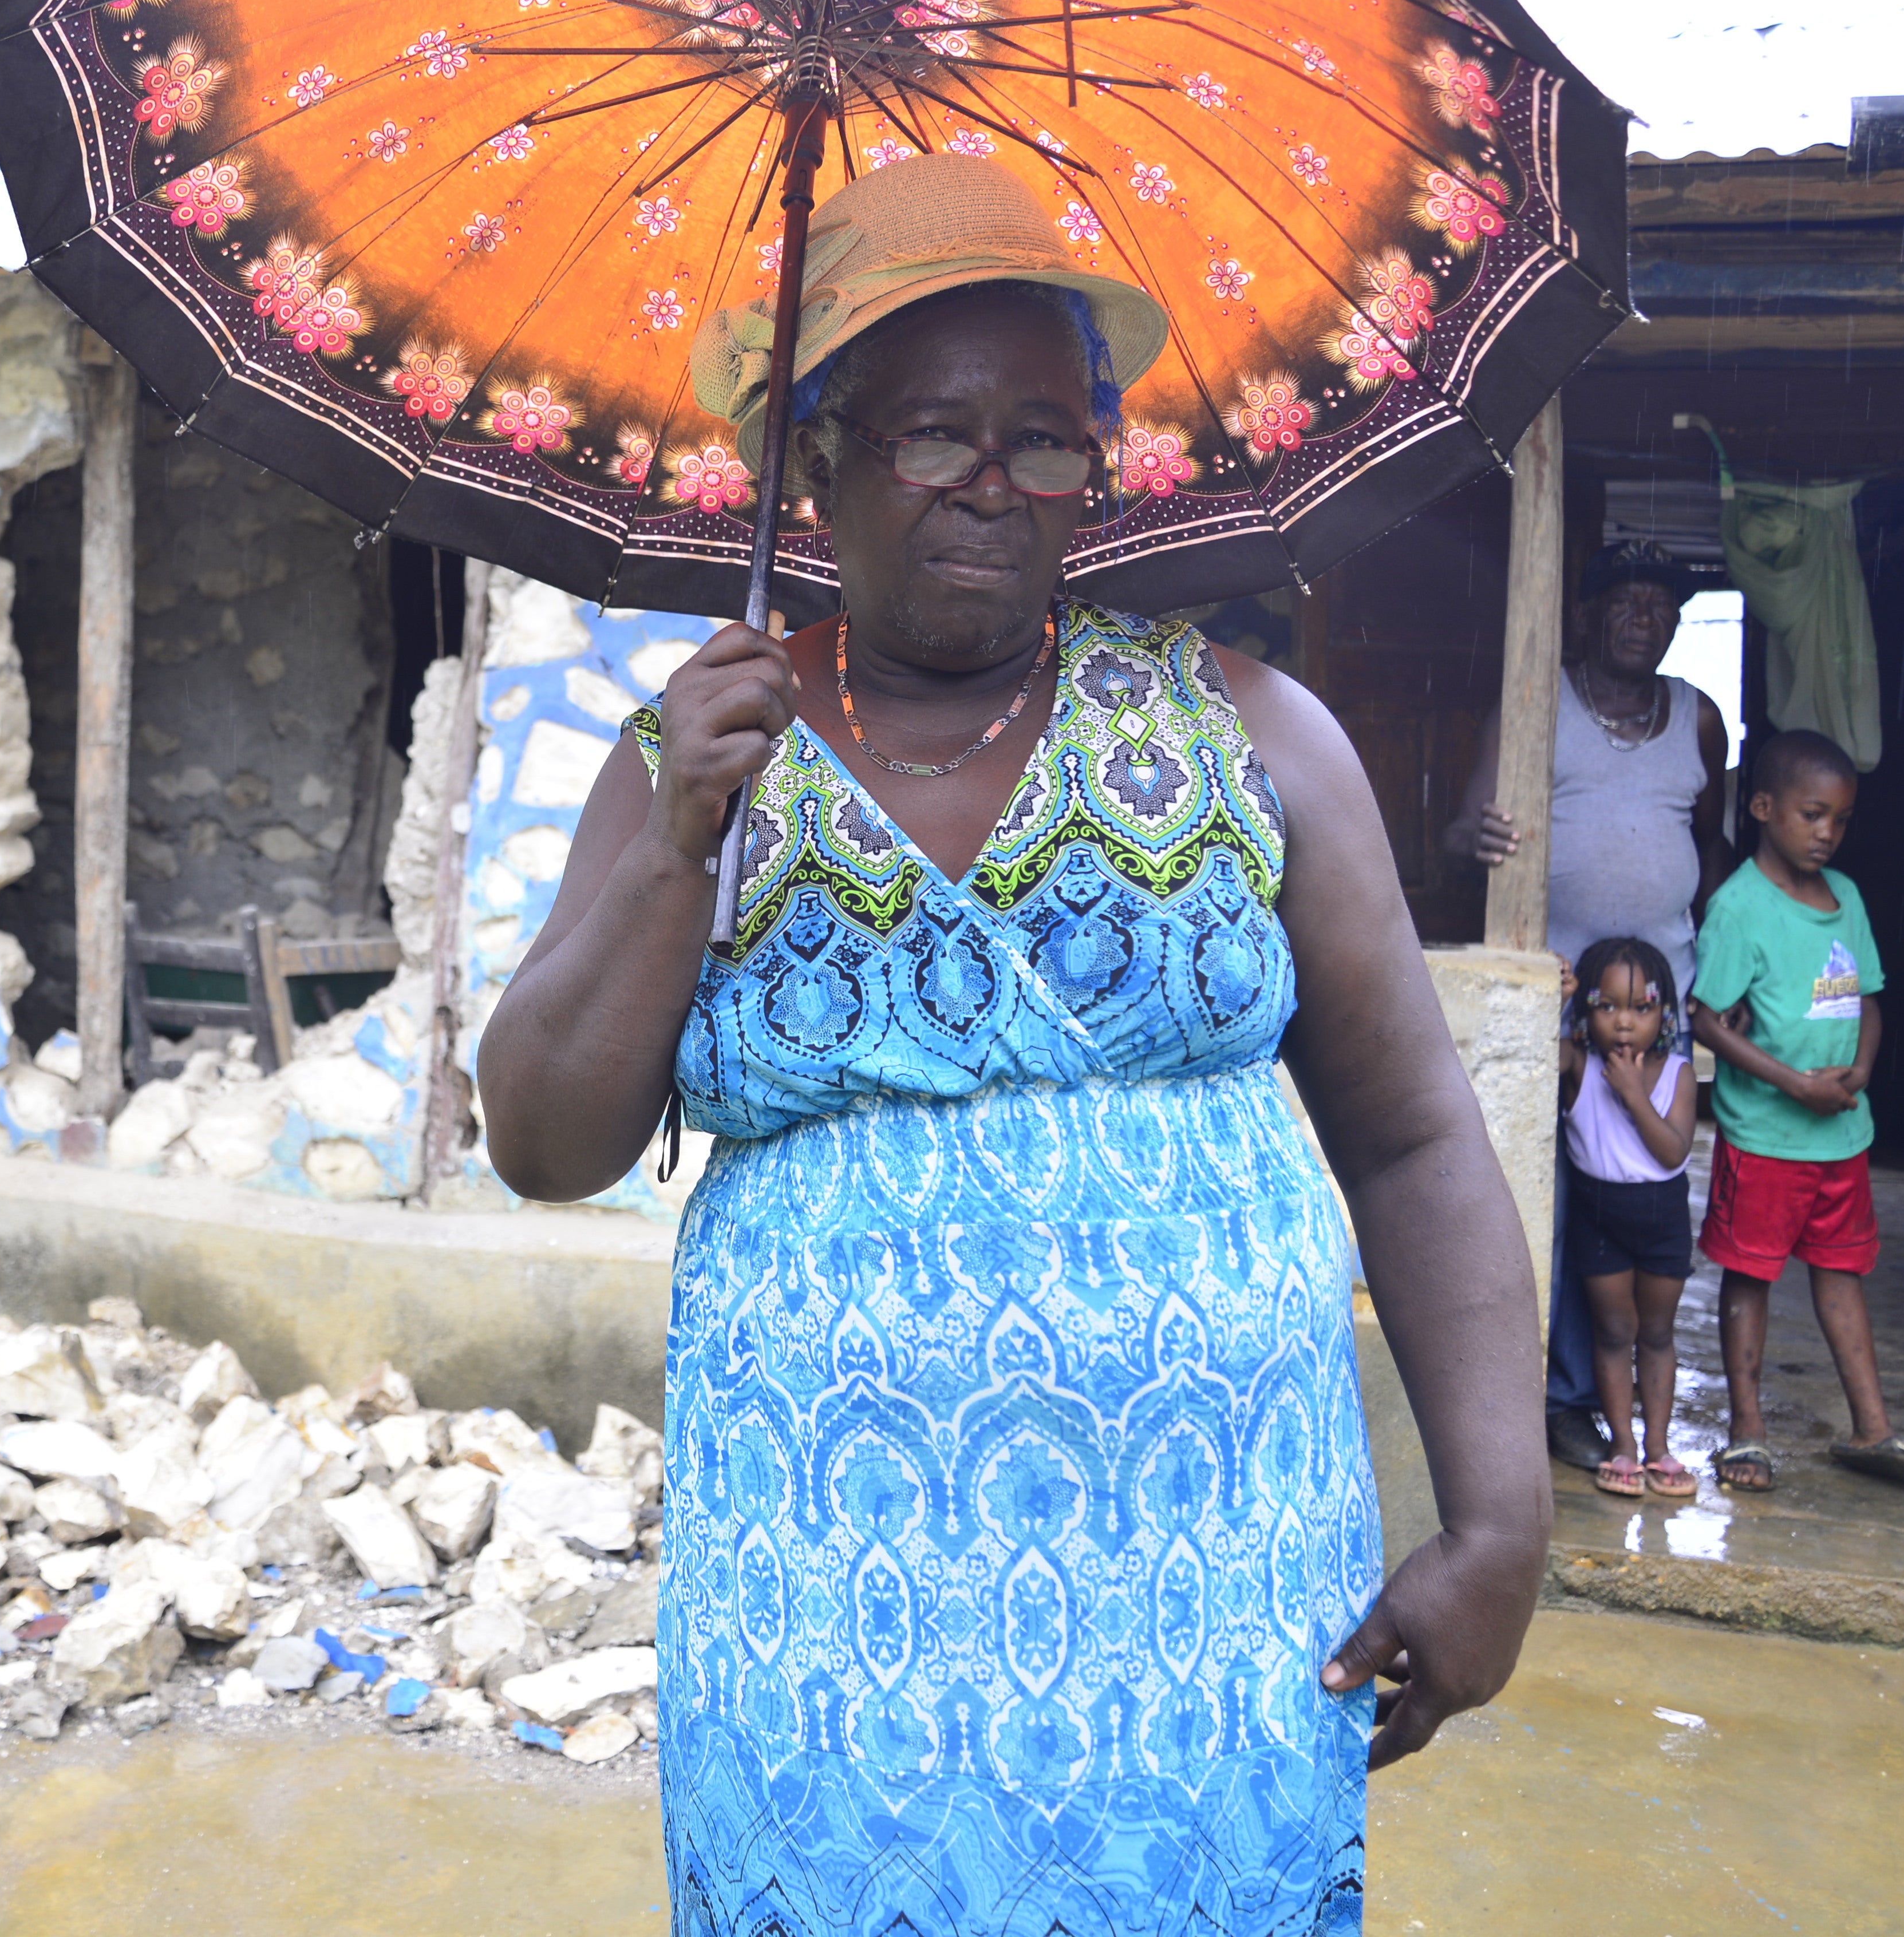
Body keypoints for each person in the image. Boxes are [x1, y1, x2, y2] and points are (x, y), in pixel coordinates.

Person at [477, 155, 1549, 1935]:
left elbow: (1418, 1137)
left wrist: (1497, 1527)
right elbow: (540, 1137)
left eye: (1043, 438)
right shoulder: (689, 756)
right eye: (928, 434)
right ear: (812, 460)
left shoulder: (1247, 730)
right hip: (830, 1632)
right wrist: (679, 841)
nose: (992, 485)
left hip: (1209, 1612)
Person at [1447, 543, 1732, 1473]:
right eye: (1627, 602)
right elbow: (1460, 827)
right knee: (1559, 1203)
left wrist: (1720, 985)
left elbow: (1712, 851)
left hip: (1662, 1006)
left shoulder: (1698, 721)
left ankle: (1606, 1396)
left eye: (1662, 606)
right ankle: (1554, 1395)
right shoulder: (1537, 705)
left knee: (1639, 1195)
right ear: (1590, 614)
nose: (1644, 619)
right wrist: (1477, 833)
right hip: (1558, 1006)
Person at [1689, 728, 1904, 1493]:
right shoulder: (1738, 908)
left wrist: (1859, 1071)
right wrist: (1793, 1085)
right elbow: (1706, 1019)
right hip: (1766, 1137)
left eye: (1841, 820)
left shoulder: (1847, 899)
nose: (1827, 833)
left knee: (1841, 1273)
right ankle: (1747, 1434)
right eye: (1812, 815)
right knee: (1751, 1277)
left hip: (1840, 1136)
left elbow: (1868, 1002)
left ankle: (1873, 1429)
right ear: (1763, 808)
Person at [1558, 936, 1700, 1499]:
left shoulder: (1678, 1075)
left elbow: (1672, 1151)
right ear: (1585, 1010)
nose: (1623, 1023)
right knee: (1615, 1331)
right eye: (1606, 1005)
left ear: (1664, 1013)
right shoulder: (1578, 1065)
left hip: (1662, 1218)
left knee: (1657, 1332)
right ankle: (1622, 1445)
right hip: (1599, 1214)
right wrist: (1556, 1000)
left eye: (1641, 1008)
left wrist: (1634, 1095)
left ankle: (1659, 1446)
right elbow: (1534, 1046)